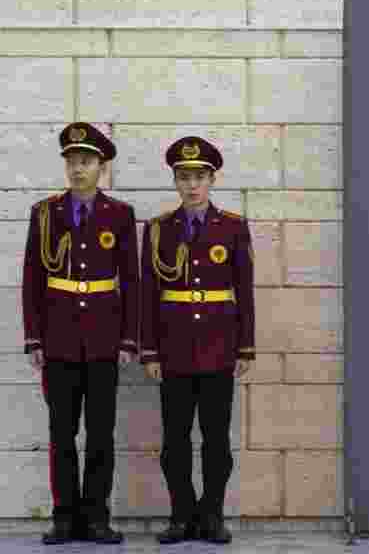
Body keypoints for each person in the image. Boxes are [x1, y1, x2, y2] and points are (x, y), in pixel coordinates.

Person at [22, 122, 138, 545]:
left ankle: (97, 517)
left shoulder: (119, 216)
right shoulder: (45, 213)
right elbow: (33, 279)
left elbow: (132, 282)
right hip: (59, 340)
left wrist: (129, 339)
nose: (77, 169)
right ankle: (64, 517)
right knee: (61, 435)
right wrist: (34, 338)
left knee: (101, 434)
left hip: (105, 341)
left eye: (86, 161)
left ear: (101, 167)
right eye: (72, 161)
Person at [140, 136, 254, 544]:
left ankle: (211, 515)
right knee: (174, 440)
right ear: (175, 181)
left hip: (220, 347)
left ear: (212, 179)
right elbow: (148, 294)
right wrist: (149, 350)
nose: (192, 185)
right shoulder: (158, 230)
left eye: (200, 177)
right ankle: (181, 515)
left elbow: (244, 290)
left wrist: (245, 346)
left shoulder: (234, 227)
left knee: (216, 441)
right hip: (173, 350)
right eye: (184, 177)